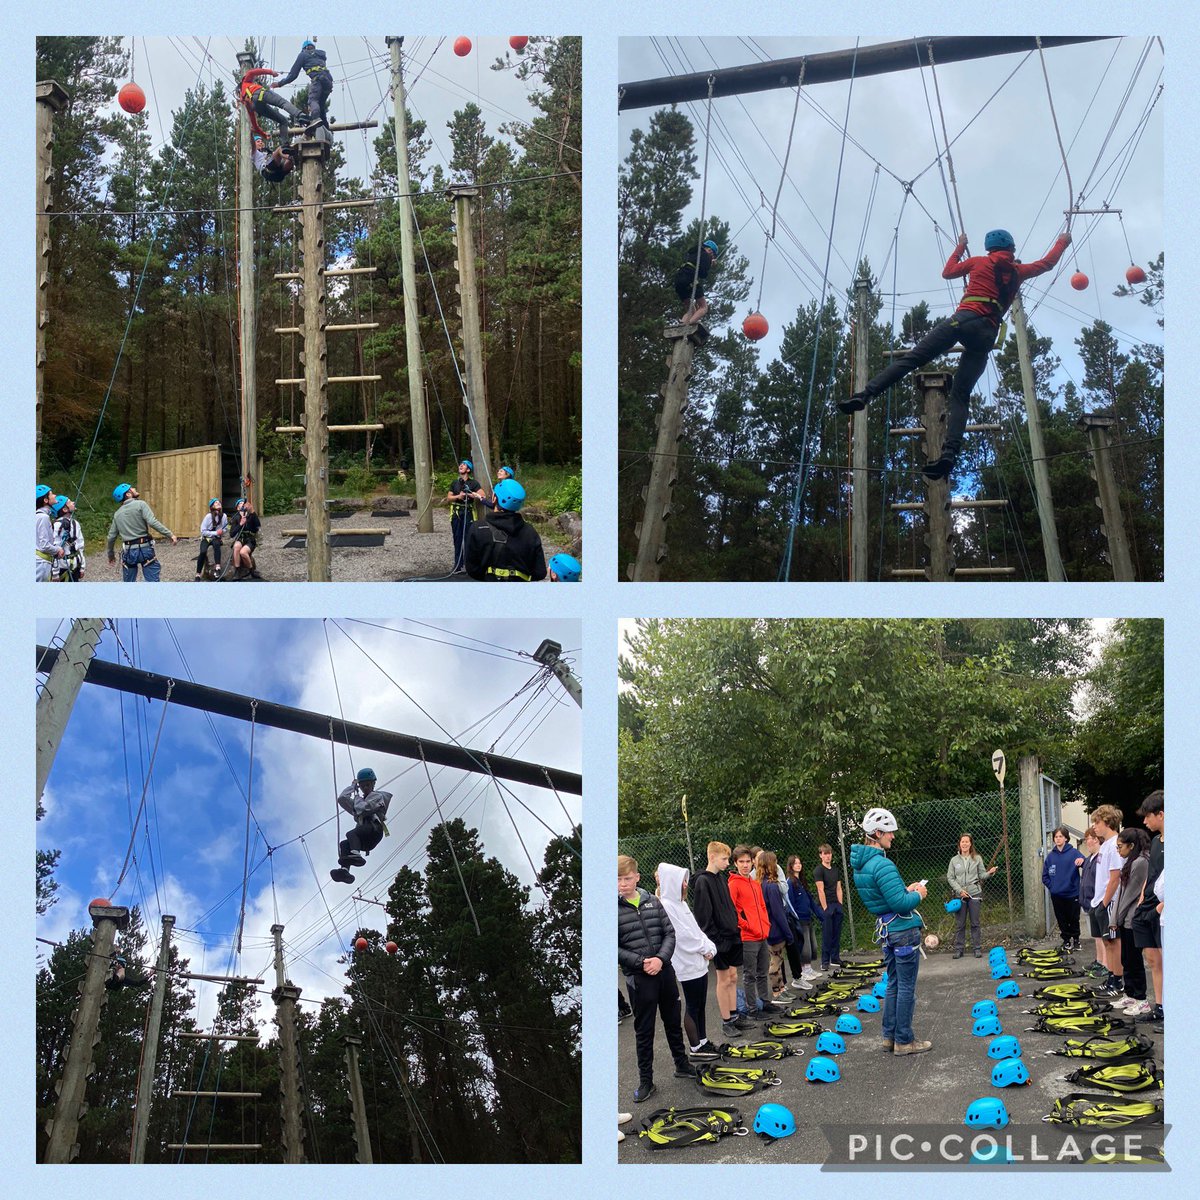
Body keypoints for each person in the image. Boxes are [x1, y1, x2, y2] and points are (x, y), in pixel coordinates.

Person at [838, 227, 1073, 479]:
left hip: (964, 319)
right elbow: (1047, 263)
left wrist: (960, 246)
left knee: (913, 359)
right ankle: (949, 452)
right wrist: (1062, 241)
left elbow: (947, 272)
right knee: (961, 394)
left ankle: (865, 395)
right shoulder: (1018, 272)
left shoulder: (978, 262)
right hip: (986, 334)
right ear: (1011, 249)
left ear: (989, 248)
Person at [850, 807, 929, 1055]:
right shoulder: (882, 864)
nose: (892, 837)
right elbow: (900, 904)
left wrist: (905, 888)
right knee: (906, 987)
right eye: (889, 833)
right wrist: (918, 894)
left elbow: (885, 898)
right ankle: (904, 1041)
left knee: (893, 983)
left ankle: (889, 1036)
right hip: (902, 930)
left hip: (886, 930)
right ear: (876, 833)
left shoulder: (861, 866)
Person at [617, 855, 694, 1104]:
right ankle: (646, 1081)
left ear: (637, 877)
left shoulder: (652, 901)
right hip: (640, 980)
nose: (622, 883)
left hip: (664, 973)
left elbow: (669, 933)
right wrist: (641, 963)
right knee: (644, 1031)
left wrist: (660, 959)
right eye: (617, 879)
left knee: (673, 1021)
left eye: (627, 878)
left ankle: (682, 1065)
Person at [657, 862, 720, 1060]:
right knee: (692, 1005)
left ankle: (703, 1041)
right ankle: (695, 1048)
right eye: (682, 881)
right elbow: (682, 936)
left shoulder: (681, 904)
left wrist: (709, 946)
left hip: (699, 962)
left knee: (701, 1003)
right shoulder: (667, 905)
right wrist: (704, 948)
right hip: (686, 963)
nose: (685, 884)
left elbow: (696, 930)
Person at [689, 841, 749, 1041]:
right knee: (723, 980)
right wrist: (715, 941)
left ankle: (734, 1014)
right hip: (719, 940)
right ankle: (726, 1021)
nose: (727, 862)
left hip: (732, 936)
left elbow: (729, 907)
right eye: (724, 859)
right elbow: (703, 917)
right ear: (712, 857)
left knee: (733, 976)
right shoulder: (702, 882)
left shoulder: (721, 878)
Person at [727, 844, 782, 1017]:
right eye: (741, 862)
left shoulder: (755, 884)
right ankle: (752, 1009)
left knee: (762, 972)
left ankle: (765, 1002)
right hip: (748, 937)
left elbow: (762, 908)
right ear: (735, 863)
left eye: (748, 861)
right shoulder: (734, 885)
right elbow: (733, 913)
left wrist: (765, 927)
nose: (745, 865)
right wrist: (748, 926)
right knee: (749, 974)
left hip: (762, 935)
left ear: (753, 862)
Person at [464, 479, 547, 582]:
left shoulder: (478, 528)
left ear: (494, 499)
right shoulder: (530, 532)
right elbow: (540, 572)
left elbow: (472, 569)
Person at [1130, 790, 1164, 1023]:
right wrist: (1143, 893)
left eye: (1148, 816)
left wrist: (1162, 907)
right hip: (1148, 905)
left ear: (1160, 814)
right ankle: (1160, 1006)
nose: (1144, 821)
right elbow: (1152, 873)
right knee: (1153, 960)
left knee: (1167, 960)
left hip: (1162, 909)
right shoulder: (1154, 841)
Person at [1110, 827, 1150, 1016]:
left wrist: (1117, 917)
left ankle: (1141, 999)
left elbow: (1131, 894)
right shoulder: (1130, 862)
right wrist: (1116, 917)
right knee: (1126, 958)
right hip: (1124, 919)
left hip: (1133, 919)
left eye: (1120, 847)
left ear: (1131, 845)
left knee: (1134, 960)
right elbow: (1121, 893)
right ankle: (1130, 994)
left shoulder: (1141, 862)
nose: (1118, 850)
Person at [1086, 806, 1125, 997]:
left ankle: (1118, 981)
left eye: (1097, 822)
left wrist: (1104, 903)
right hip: (1099, 901)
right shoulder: (1106, 845)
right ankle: (1111, 977)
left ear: (1108, 822)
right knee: (1107, 942)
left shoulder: (1115, 845)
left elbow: (1115, 877)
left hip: (1108, 903)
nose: (1094, 827)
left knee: (1113, 941)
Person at [329, 767, 392, 884]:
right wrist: (352, 787)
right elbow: (342, 799)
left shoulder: (377, 797)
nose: (365, 788)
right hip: (364, 838)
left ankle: (356, 855)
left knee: (351, 834)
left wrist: (357, 800)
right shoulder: (359, 800)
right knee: (344, 844)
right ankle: (345, 871)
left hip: (374, 830)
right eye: (362, 786)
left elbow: (363, 809)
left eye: (368, 785)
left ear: (373, 783)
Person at [106, 483, 177, 581]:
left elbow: (111, 537)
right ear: (128, 494)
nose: (134, 488)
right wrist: (170, 534)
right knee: (152, 583)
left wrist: (111, 555)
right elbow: (152, 521)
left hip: (129, 552)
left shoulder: (117, 514)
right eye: (131, 488)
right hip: (144, 549)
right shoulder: (140, 504)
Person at [945, 833, 997, 959]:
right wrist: (959, 890)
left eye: (967, 842)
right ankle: (959, 949)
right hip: (960, 895)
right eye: (962, 841)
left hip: (974, 893)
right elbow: (950, 878)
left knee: (975, 923)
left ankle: (977, 948)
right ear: (959, 844)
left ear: (970, 844)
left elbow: (982, 875)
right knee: (960, 924)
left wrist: (989, 873)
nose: (965, 844)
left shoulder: (977, 858)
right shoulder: (954, 860)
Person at [758, 851, 796, 1000]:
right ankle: (776, 991)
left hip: (768, 927)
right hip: (775, 929)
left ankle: (781, 988)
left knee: (778, 959)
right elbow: (778, 912)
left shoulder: (759, 884)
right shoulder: (772, 886)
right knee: (775, 961)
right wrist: (788, 933)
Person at [239, 65, 305, 145]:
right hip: (260, 94)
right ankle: (301, 115)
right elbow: (252, 72)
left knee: (283, 121)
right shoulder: (246, 81)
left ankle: (285, 145)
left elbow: (254, 124)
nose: (253, 80)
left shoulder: (246, 101)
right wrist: (271, 72)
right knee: (282, 102)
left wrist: (263, 134)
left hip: (257, 107)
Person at [274, 39, 333, 127]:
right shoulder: (320, 55)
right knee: (320, 104)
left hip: (318, 79)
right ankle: (325, 127)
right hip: (328, 81)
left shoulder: (303, 55)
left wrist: (280, 83)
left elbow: (293, 75)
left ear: (304, 48)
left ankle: (315, 120)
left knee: (313, 100)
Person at [1042, 826, 1083, 951]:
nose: (1058, 839)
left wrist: (1082, 860)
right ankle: (1066, 940)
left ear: (1066, 838)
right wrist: (1053, 888)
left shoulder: (1074, 853)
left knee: (1074, 918)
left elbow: (1085, 862)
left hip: (1072, 893)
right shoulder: (1050, 857)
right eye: (1056, 837)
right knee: (1061, 919)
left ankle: (1076, 939)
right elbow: (1045, 876)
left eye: (1060, 836)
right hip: (1057, 895)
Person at [784, 855, 820, 984]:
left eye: (799, 863)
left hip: (808, 918)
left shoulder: (802, 882)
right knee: (804, 947)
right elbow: (790, 903)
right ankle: (803, 971)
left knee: (812, 945)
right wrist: (796, 918)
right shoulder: (790, 882)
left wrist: (819, 914)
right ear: (791, 866)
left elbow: (809, 900)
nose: (798, 865)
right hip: (799, 920)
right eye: (795, 863)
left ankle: (809, 968)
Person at [1076, 828, 1105, 976]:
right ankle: (1099, 960)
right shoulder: (1090, 858)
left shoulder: (1101, 857)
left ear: (1096, 839)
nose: (1086, 842)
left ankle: (1104, 964)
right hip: (1087, 902)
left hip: (1096, 902)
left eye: (1088, 839)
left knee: (1101, 936)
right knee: (1096, 936)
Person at [812, 843, 844, 972]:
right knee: (827, 934)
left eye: (829, 853)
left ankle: (835, 958)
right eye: (825, 854)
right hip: (826, 906)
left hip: (836, 905)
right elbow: (820, 890)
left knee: (836, 933)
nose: (827, 856)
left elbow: (838, 888)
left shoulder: (836, 870)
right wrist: (825, 908)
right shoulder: (818, 870)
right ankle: (825, 961)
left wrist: (840, 905)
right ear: (821, 855)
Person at [446, 459, 481, 572]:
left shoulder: (473, 483)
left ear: (468, 469)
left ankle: (469, 565)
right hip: (457, 513)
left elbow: (482, 494)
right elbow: (449, 498)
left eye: (464, 465)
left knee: (468, 539)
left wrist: (470, 494)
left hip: (468, 512)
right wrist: (458, 497)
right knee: (457, 538)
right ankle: (458, 565)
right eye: (460, 464)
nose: (461, 465)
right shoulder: (455, 483)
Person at [675, 238, 719, 324]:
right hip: (689, 278)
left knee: (691, 309)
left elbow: (696, 263)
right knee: (703, 307)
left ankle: (682, 323)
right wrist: (710, 264)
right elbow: (703, 274)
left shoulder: (693, 253)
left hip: (679, 279)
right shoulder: (706, 255)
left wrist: (709, 262)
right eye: (713, 255)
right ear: (710, 250)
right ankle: (689, 325)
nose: (712, 257)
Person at [51, 496, 86, 581]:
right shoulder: (56, 526)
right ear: (65, 509)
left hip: (75, 565)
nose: (73, 502)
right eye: (70, 502)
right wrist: (55, 573)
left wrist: (82, 566)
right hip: (61, 568)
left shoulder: (75, 523)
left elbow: (80, 545)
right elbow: (54, 549)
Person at [36, 485, 65, 582]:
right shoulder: (43, 518)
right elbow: (44, 545)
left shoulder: (38, 516)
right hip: (41, 564)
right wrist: (58, 550)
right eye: (51, 494)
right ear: (45, 500)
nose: (55, 495)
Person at [195, 498, 229, 580]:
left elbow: (225, 528)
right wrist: (216, 533)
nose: (218, 503)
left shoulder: (224, 516)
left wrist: (222, 532)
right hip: (206, 538)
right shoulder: (208, 517)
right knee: (203, 552)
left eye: (219, 502)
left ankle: (218, 567)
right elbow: (203, 531)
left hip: (216, 538)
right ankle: (198, 574)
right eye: (216, 503)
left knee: (216, 545)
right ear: (212, 506)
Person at [230, 498, 262, 580]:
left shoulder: (251, 515)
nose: (243, 504)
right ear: (237, 508)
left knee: (243, 552)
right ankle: (237, 571)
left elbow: (257, 526)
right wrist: (240, 524)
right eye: (240, 503)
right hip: (240, 538)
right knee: (236, 547)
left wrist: (252, 512)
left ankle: (251, 571)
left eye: (243, 503)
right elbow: (232, 534)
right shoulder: (236, 517)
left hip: (250, 539)